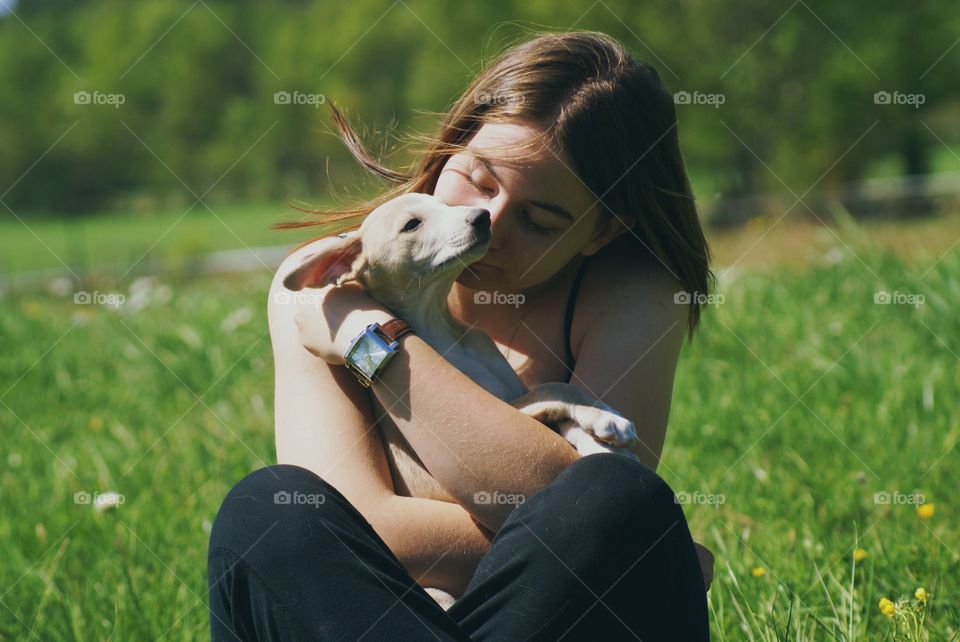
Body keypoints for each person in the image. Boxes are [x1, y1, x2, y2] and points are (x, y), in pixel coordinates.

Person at [209, 30, 714, 641]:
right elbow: (359, 529)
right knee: (270, 508)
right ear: (450, 147)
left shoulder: (630, 291)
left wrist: (375, 345)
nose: (487, 224)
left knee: (618, 495)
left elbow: (592, 515)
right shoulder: (327, 283)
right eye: (476, 179)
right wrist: (662, 554)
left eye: (538, 219)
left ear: (603, 232)